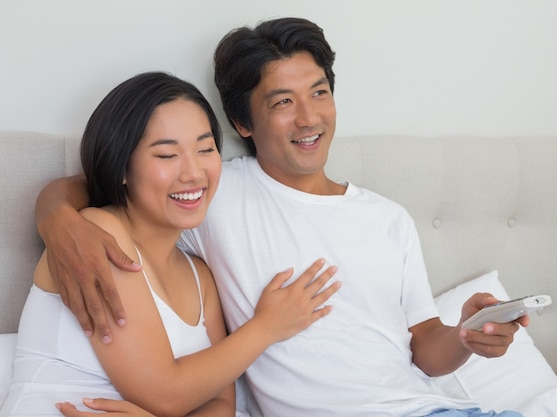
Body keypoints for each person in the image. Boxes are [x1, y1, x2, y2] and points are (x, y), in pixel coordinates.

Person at [34, 18, 527, 417]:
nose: (309, 118)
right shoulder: (213, 193)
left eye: (319, 93)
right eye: (283, 102)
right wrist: (59, 218)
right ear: (243, 123)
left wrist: (464, 335)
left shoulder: (388, 219)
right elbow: (107, 179)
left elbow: (424, 349)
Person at [0, 71, 339, 417]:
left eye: (205, 149)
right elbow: (164, 394)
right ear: (122, 167)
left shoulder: (200, 276)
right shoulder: (97, 233)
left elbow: (222, 404)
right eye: (166, 155)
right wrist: (267, 326)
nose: (193, 173)